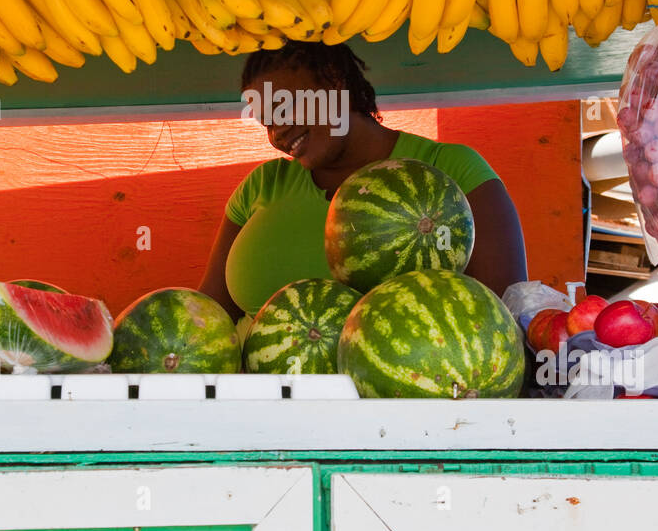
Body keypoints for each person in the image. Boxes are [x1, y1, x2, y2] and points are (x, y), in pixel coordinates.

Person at [199, 42, 528, 324]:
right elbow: (206, 319)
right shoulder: (262, 185)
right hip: (255, 398)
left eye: (285, 108)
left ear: (334, 81)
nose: (277, 133)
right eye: (266, 122)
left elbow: (500, 318)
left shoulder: (451, 169)